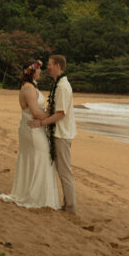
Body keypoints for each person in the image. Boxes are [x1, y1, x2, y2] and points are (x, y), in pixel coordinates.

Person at [0, 59, 61, 209]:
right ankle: (36, 197)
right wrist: (50, 116)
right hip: (32, 129)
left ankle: (37, 194)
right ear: (32, 71)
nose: (40, 71)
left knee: (37, 158)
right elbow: (35, 112)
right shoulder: (28, 88)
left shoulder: (30, 86)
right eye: (38, 69)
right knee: (41, 158)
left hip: (32, 128)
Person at [28, 54, 77, 214]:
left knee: (64, 171)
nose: (47, 67)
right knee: (62, 170)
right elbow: (53, 110)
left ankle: (70, 208)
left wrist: (41, 123)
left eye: (49, 64)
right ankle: (67, 205)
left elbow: (60, 114)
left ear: (57, 66)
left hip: (62, 134)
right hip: (59, 133)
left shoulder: (62, 87)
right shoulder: (58, 84)